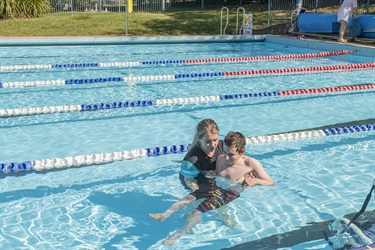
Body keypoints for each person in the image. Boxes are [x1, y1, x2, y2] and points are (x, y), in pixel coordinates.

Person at [149, 131, 275, 245]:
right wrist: (212, 174)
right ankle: (164, 215)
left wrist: (255, 181)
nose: (226, 157)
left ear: (242, 152)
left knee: (196, 212)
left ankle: (174, 238)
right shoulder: (221, 159)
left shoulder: (250, 164)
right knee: (188, 199)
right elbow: (219, 174)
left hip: (228, 194)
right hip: (214, 187)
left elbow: (271, 182)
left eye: (231, 154)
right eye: (224, 152)